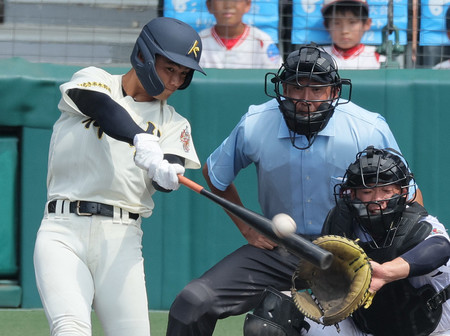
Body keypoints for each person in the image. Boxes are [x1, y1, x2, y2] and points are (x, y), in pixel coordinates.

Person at [166, 43, 421, 336]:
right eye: (295, 88)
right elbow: (215, 174)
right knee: (193, 302)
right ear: (281, 89)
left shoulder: (366, 128)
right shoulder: (255, 123)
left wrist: (393, 260)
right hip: (281, 250)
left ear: (335, 92)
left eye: (316, 90)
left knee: (396, 317)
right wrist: (248, 228)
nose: (305, 99)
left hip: (351, 253)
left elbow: (409, 196)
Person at [33, 17, 205, 336]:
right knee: (70, 328)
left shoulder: (176, 123)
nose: (175, 82)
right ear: (144, 55)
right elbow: (99, 106)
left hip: (122, 238)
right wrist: (140, 138)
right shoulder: (95, 80)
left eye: (183, 74)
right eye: (169, 68)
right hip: (63, 231)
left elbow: (164, 173)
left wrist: (164, 173)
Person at [318, 146, 450, 336]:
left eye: (386, 190)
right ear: (352, 194)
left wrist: (384, 272)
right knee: (287, 314)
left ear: (402, 192)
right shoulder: (341, 223)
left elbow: (440, 247)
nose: (377, 199)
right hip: (368, 327)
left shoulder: (418, 222)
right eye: (367, 191)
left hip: (437, 328)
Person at [198, 0, 282, 69]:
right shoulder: (199, 41)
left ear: (247, 5)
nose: (228, 5)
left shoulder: (262, 41)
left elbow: (276, 77)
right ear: (209, 6)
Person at [321, 0, 386, 69]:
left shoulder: (378, 58)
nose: (344, 31)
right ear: (326, 25)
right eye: (337, 23)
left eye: (352, 22)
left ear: (367, 24)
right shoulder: (318, 57)